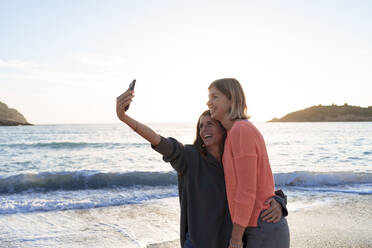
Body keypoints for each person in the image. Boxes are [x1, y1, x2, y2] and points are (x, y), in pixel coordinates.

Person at [116, 88, 288, 248]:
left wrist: (279, 201)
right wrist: (124, 118)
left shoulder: (234, 157)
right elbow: (159, 141)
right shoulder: (191, 157)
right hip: (197, 243)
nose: (203, 129)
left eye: (209, 124)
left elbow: (256, 186)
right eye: (200, 126)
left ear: (222, 129)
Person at [207, 78, 290, 248]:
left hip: (262, 226)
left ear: (231, 99)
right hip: (256, 225)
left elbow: (247, 190)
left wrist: (235, 238)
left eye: (214, 97)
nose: (209, 102)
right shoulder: (232, 133)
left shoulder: (241, 130)